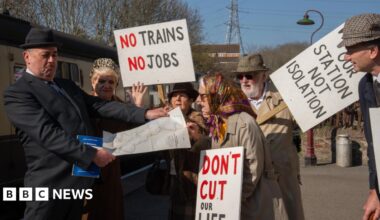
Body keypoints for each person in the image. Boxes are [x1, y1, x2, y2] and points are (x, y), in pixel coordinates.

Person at [3, 27, 167, 220]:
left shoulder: (66, 86)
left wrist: (146, 113)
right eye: (45, 55)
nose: (52, 61)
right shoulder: (18, 93)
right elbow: (47, 134)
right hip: (49, 187)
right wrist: (92, 155)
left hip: (78, 185)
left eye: (55, 55)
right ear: (27, 57)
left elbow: (102, 106)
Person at [188, 73, 288, 220]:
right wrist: (198, 138)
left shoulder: (244, 123)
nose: (198, 101)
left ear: (217, 95)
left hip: (254, 208)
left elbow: (252, 171)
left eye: (203, 96)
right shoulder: (218, 123)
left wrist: (227, 202)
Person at [233, 53, 305, 220]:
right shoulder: (233, 105)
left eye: (250, 75)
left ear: (264, 76)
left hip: (283, 177)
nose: (244, 80)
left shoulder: (285, 100)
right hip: (250, 179)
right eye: (240, 76)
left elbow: (308, 119)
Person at [82, 58, 147, 220]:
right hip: (85, 174)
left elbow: (135, 138)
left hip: (110, 175)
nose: (107, 85)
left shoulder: (122, 108)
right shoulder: (80, 104)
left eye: (111, 81)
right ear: (92, 81)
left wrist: (136, 109)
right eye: (101, 80)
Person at [340, 13, 380, 220]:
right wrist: (375, 189)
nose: (346, 57)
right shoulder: (365, 85)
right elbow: (375, 145)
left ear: (373, 51)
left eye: (350, 51)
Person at [166, 82, 210, 220]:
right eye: (174, 96)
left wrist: (176, 116)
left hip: (192, 181)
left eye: (182, 95)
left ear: (191, 100)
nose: (177, 99)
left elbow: (200, 131)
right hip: (175, 179)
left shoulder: (196, 117)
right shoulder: (167, 118)